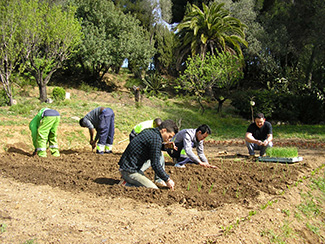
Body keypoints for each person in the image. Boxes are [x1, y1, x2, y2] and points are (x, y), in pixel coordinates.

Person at [118, 119, 178, 189]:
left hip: (129, 166)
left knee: (159, 155)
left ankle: (158, 180)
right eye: (169, 136)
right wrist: (167, 179)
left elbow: (153, 147)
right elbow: (155, 164)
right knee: (153, 189)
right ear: (164, 130)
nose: (169, 139)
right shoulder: (156, 139)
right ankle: (127, 183)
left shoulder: (151, 131)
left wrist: (165, 146)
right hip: (129, 171)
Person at [128, 118, 165, 186]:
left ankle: (159, 180)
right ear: (154, 124)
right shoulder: (146, 127)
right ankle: (135, 171)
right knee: (145, 156)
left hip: (143, 137)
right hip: (135, 135)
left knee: (159, 154)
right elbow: (141, 140)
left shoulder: (156, 128)